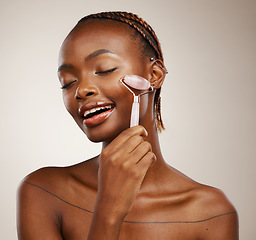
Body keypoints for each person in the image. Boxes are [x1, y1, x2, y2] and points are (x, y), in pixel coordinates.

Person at [17, 11, 238, 239]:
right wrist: (109, 209)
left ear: (154, 75)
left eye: (105, 69)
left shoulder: (211, 213)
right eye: (68, 83)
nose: (81, 90)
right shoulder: (43, 192)